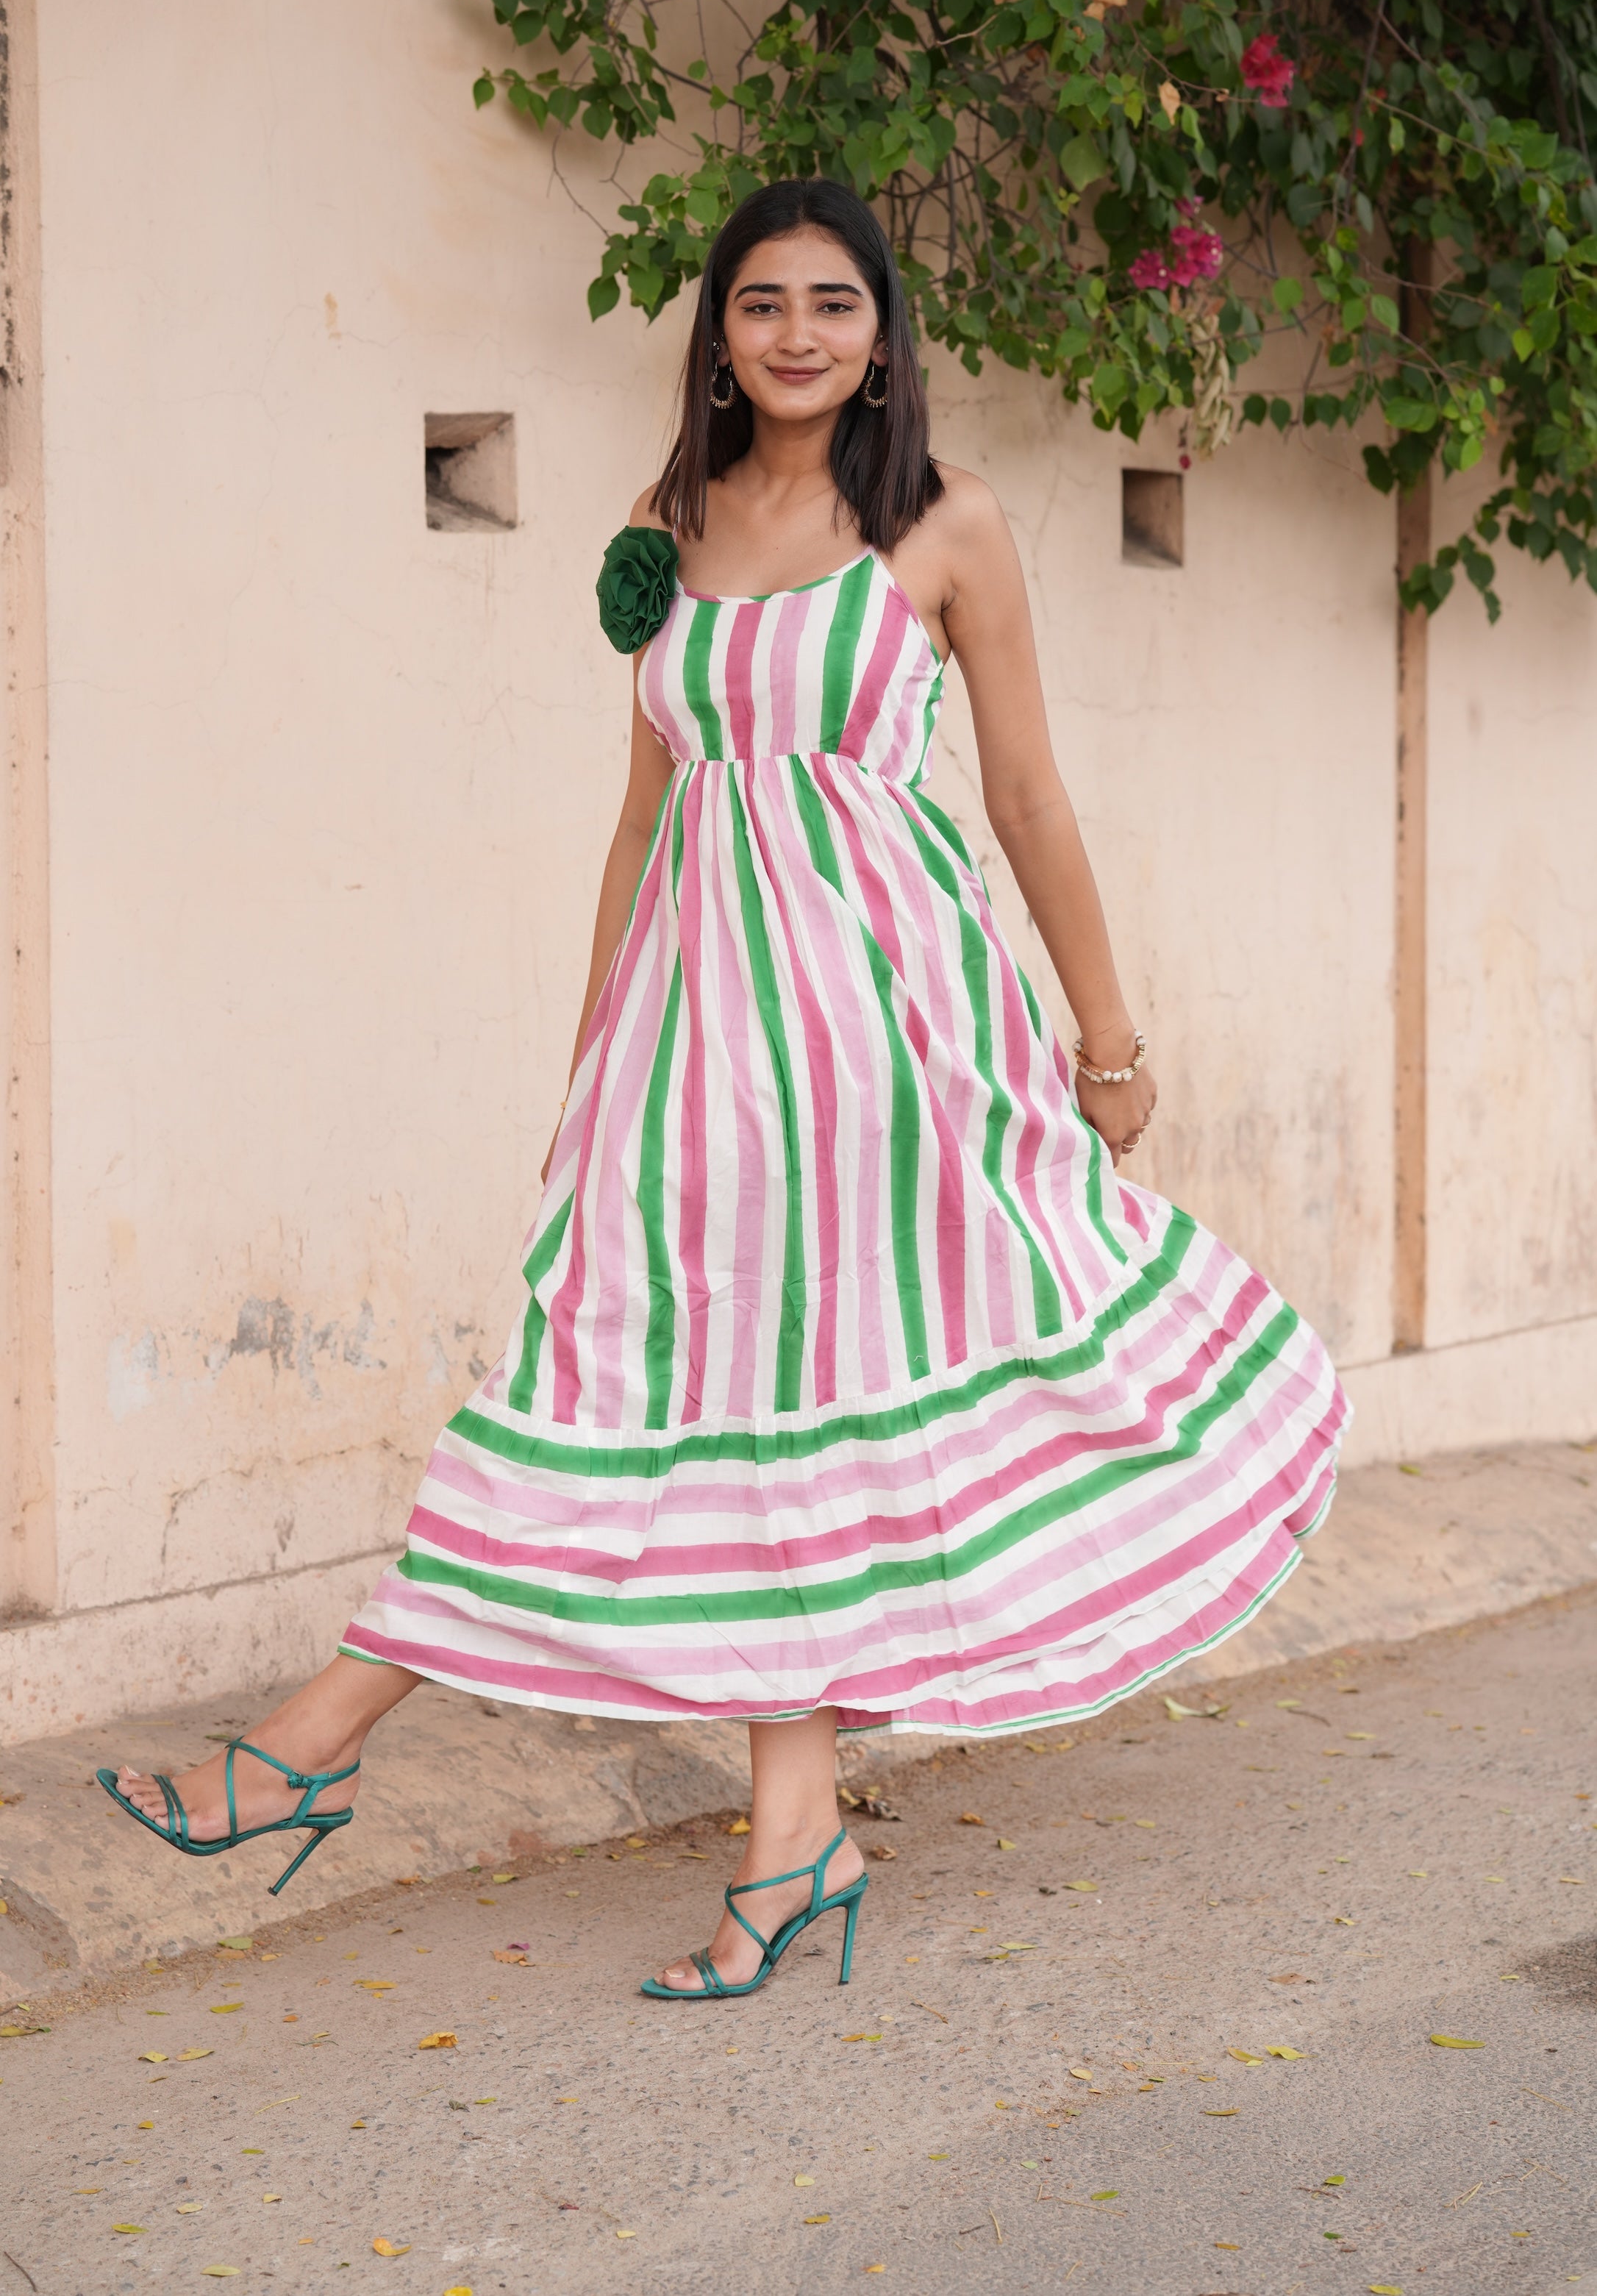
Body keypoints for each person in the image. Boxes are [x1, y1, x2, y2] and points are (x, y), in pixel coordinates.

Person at [104, 177, 1346, 2000]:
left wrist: (1108, 1041)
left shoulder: (947, 526)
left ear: (880, 332)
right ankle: (768, 1843)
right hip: (697, 1052)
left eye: (831, 304)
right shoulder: (661, 524)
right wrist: (594, 1061)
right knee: (616, 1385)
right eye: (761, 303)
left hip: (888, 1043)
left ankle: (337, 1752)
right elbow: (641, 814)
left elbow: (1026, 804)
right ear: (721, 332)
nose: (795, 333)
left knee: (814, 1412)